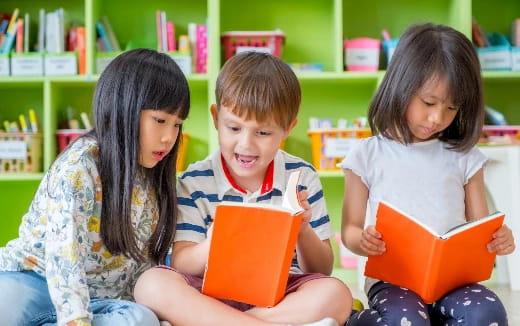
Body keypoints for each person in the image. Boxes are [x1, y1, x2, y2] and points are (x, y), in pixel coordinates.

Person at [134, 51, 353, 326]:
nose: (246, 145)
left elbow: (322, 269)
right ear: (216, 118)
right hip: (208, 296)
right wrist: (212, 245)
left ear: (288, 128)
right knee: (151, 283)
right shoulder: (195, 181)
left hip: (280, 296)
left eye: (262, 133)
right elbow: (181, 263)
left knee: (336, 293)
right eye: (234, 128)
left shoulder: (301, 176)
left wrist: (303, 230)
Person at [340, 23, 516, 325]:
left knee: (488, 314)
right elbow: (349, 231)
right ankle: (358, 320)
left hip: (454, 282)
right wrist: (363, 240)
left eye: (451, 108)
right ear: (401, 86)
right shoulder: (367, 155)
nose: (437, 118)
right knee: (407, 321)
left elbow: (479, 230)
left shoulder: (466, 158)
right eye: (428, 102)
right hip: (394, 280)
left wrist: (499, 239)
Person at [0, 48, 190, 326]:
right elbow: (64, 257)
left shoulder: (156, 179)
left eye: (177, 125)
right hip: (33, 280)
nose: (168, 137)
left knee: (141, 319)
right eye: (160, 120)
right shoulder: (80, 166)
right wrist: (75, 320)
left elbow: (143, 265)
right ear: (122, 108)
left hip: (100, 299)